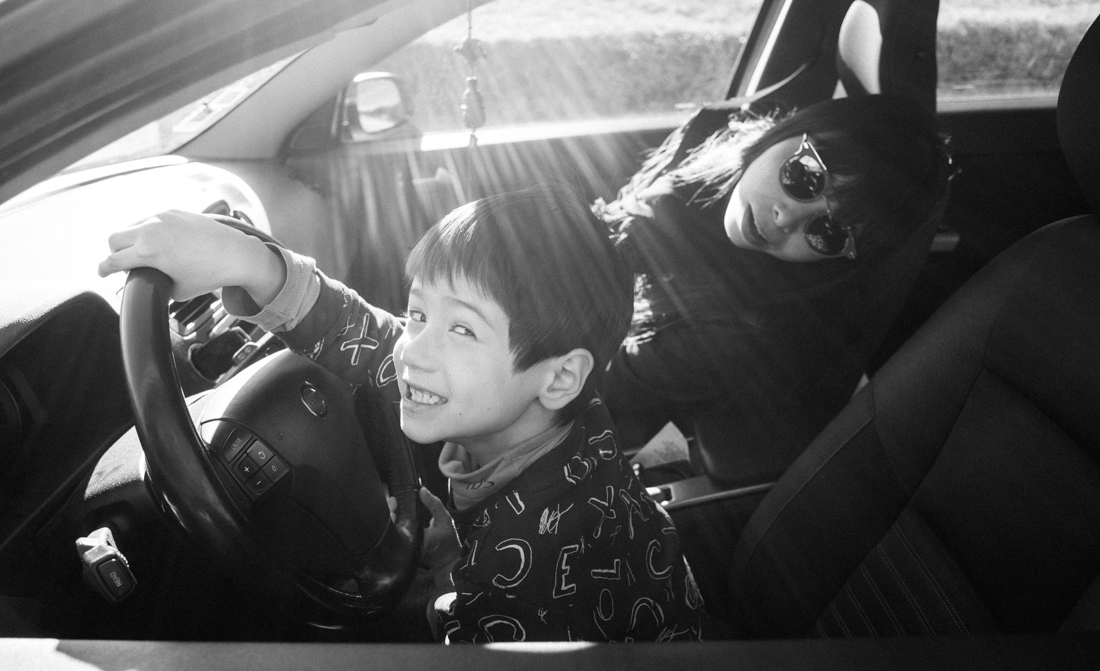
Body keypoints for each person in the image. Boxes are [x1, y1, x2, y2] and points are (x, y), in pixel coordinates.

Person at [98, 186, 705, 643]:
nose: (413, 349)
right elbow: (372, 338)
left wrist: (443, 581)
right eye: (419, 314)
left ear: (560, 376)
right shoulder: (563, 409)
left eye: (462, 329)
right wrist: (253, 264)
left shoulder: (519, 582)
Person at [597, 93, 954, 446]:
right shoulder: (715, 134)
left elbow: (598, 385)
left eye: (829, 232)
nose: (786, 219)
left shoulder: (739, 333)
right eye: (805, 176)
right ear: (794, 128)